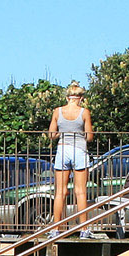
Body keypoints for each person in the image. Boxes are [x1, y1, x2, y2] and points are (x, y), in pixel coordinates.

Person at [47, 82, 100, 237]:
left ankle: (56, 228)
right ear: (80, 98)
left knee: (60, 192)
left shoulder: (57, 111)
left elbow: (51, 135)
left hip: (63, 149)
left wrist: (62, 133)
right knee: (80, 192)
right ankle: (84, 229)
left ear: (67, 97)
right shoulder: (84, 112)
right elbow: (89, 137)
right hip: (79, 150)